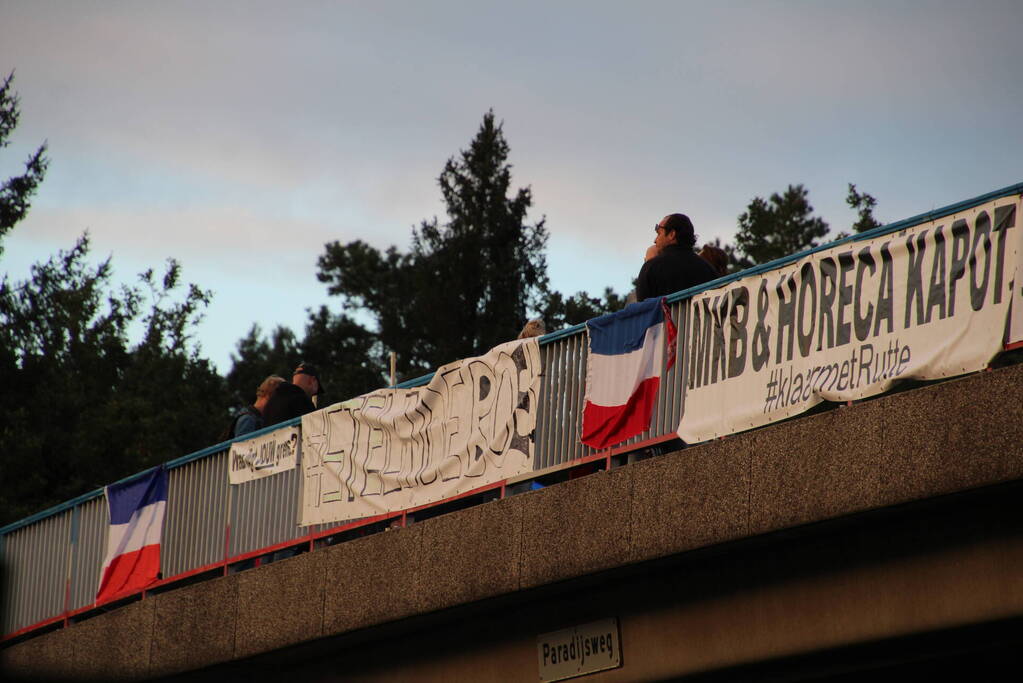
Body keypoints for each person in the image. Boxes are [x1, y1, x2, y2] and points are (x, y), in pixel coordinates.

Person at [635, 213, 718, 301]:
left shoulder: (652, 267)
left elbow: (643, 309)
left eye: (659, 233)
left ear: (672, 234)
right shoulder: (709, 269)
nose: (655, 240)